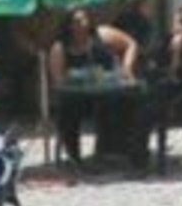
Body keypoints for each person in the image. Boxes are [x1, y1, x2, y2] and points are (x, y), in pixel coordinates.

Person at [48, 9, 138, 165]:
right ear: (69, 25)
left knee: (122, 102)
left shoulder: (101, 34)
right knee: (68, 110)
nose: (82, 24)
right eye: (76, 21)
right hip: (78, 95)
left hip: (107, 89)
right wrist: (73, 79)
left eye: (85, 19)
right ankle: (73, 156)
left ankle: (112, 152)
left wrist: (127, 68)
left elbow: (131, 44)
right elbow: (58, 81)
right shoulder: (60, 47)